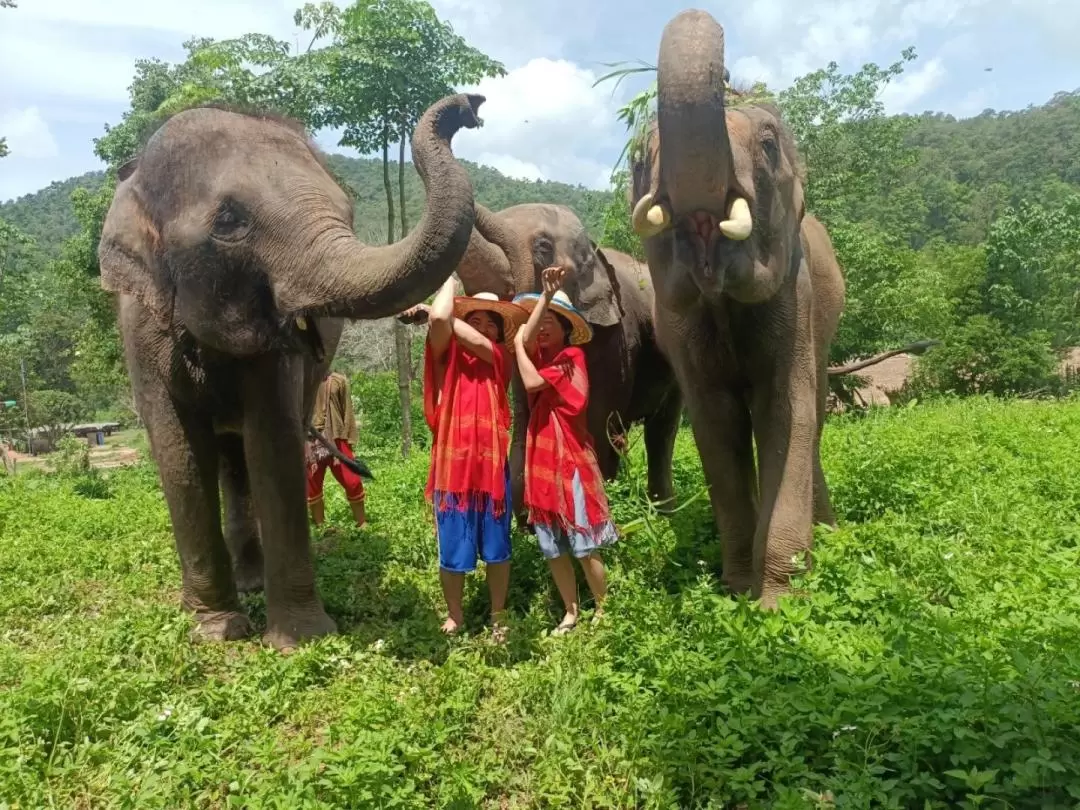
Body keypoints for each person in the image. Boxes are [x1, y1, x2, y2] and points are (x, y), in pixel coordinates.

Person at [402, 276, 528, 637]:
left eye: (492, 322)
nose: (485, 327)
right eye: (477, 319)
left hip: (491, 470)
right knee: (452, 548)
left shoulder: (498, 358)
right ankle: (455, 615)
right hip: (452, 471)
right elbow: (441, 321)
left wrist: (437, 313)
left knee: (498, 547)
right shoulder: (446, 357)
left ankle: (498, 615)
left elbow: (447, 321)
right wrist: (448, 278)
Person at [513, 266, 618, 635]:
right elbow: (527, 341)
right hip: (542, 463)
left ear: (567, 329)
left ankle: (604, 609)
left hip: (569, 461)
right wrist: (543, 298)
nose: (543, 328)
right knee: (553, 548)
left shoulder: (571, 357)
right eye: (541, 323)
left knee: (583, 544)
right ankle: (570, 612)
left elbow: (529, 377)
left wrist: (516, 346)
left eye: (553, 322)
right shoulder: (541, 357)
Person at [305, 370, 368, 531]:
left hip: (337, 439)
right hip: (311, 439)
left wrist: (350, 439)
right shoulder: (301, 380)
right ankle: (321, 526)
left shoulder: (338, 381)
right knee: (312, 485)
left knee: (352, 481)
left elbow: (347, 412)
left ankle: (362, 523)